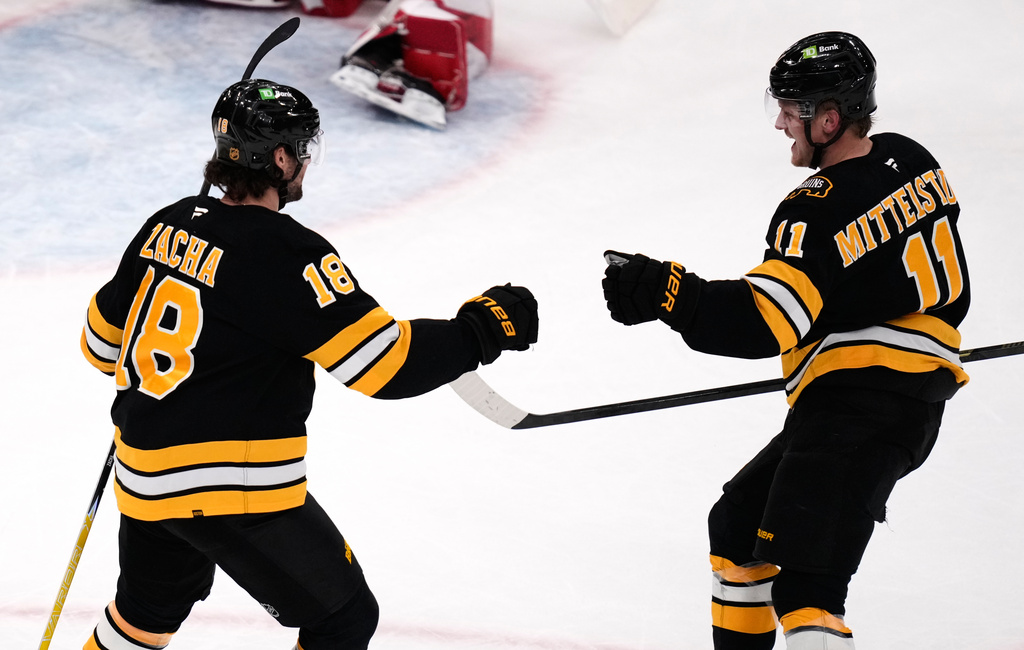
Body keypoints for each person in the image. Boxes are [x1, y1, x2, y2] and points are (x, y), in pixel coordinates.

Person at [79, 77, 538, 650]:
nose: (303, 163)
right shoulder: (288, 251)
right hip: (231, 487)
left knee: (145, 613)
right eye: (300, 150)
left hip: (143, 473)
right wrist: (481, 329)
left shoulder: (167, 222)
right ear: (277, 158)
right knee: (341, 619)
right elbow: (386, 366)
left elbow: (100, 347)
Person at [601, 32, 968, 649]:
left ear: (829, 118)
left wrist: (670, 293)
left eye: (791, 111)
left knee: (808, 589)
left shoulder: (814, 208)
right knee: (738, 531)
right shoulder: (913, 160)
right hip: (894, 400)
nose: (780, 123)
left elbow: (764, 321)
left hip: (860, 402)